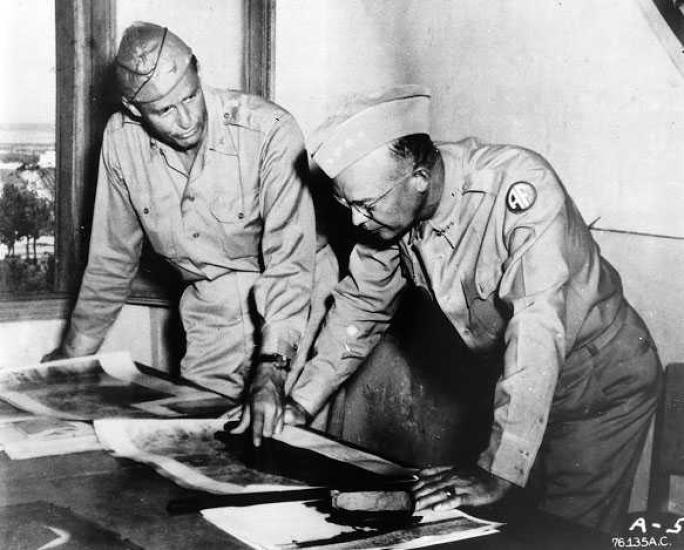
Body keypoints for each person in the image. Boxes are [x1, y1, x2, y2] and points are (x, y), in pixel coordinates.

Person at [252, 85, 662, 532]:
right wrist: (298, 404)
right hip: (520, 386)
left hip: (597, 386)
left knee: (563, 532)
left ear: (420, 179)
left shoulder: (519, 189)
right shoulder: (391, 213)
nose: (355, 221)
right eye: (345, 204)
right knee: (507, 527)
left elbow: (537, 327)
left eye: (365, 204)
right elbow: (361, 309)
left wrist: (498, 469)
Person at [43, 22, 338, 424]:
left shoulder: (269, 131)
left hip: (296, 295)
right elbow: (111, 260)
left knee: (286, 433)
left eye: (190, 96)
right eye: (164, 110)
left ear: (198, 74)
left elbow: (290, 264)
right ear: (133, 109)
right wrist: (68, 360)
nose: (186, 120)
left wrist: (272, 367)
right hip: (210, 301)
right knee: (201, 432)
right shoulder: (120, 141)